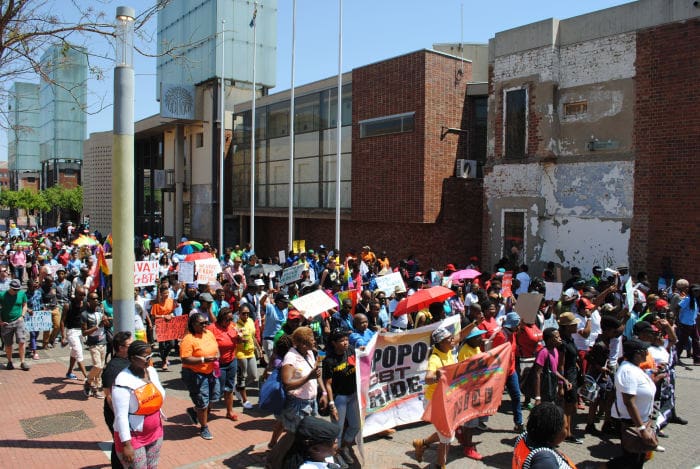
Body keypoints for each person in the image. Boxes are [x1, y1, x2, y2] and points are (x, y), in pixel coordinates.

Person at [412, 321, 479, 467]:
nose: (453, 340)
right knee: (447, 436)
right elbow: (428, 378)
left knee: (446, 433)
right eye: (449, 339)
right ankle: (440, 465)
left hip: (446, 399)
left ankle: (422, 443)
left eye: (452, 338)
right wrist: (437, 377)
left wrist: (475, 323)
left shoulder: (448, 348)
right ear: (441, 342)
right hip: (434, 403)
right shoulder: (435, 359)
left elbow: (461, 335)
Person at [112, 340, 165, 468]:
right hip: (133, 438)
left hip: (155, 432)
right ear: (132, 358)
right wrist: (127, 445)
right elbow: (121, 416)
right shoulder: (122, 381)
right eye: (146, 357)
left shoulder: (151, 371)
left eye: (151, 356)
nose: (149, 360)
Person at [609, 338, 660, 468]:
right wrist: (642, 429)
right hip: (631, 423)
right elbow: (629, 402)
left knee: (637, 460)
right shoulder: (627, 371)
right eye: (645, 351)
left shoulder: (634, 368)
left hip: (640, 421)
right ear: (637, 353)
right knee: (630, 461)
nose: (647, 353)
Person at [280, 326, 328, 433]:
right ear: (303, 344)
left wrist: (324, 393)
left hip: (312, 401)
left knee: (308, 433)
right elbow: (287, 384)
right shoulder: (291, 357)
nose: (314, 341)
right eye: (312, 339)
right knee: (296, 435)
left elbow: (317, 373)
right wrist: (308, 377)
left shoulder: (309, 352)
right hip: (298, 404)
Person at [323, 328, 360, 466]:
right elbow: (328, 384)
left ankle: (344, 448)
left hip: (353, 395)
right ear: (334, 343)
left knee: (355, 426)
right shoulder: (329, 361)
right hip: (340, 399)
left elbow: (363, 358)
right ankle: (336, 455)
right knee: (337, 431)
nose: (345, 342)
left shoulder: (351, 350)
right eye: (341, 340)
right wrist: (331, 404)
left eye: (346, 339)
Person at [180, 312, 220, 439]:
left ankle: (194, 410)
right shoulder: (188, 339)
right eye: (201, 323)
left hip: (211, 372)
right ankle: (204, 427)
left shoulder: (209, 334)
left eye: (206, 323)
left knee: (213, 398)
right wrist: (203, 360)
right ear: (193, 324)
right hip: (195, 374)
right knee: (202, 402)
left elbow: (216, 347)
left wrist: (217, 355)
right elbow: (185, 359)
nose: (205, 325)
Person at [102, 331, 133, 469]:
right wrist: (121, 417)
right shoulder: (112, 368)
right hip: (117, 414)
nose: (133, 347)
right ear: (121, 348)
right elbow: (109, 396)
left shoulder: (130, 361)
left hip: (129, 412)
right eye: (130, 345)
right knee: (120, 442)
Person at [513, 402, 577, 469]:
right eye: (566, 427)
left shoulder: (524, 436)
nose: (568, 431)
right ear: (554, 433)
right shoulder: (545, 461)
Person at [208, 307, 240, 421]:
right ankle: (205, 409)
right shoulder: (212, 328)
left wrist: (240, 338)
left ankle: (229, 412)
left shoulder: (233, 326)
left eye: (231, 319)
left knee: (229, 387)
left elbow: (237, 339)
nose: (230, 321)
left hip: (231, 361)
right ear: (221, 318)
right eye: (227, 319)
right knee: (218, 389)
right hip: (218, 364)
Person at [81, 291, 110, 398]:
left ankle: (96, 389)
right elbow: (84, 332)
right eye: (94, 299)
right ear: (88, 301)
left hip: (103, 342)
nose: (96, 300)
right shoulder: (85, 315)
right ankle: (88, 381)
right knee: (97, 366)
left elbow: (107, 325)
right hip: (93, 344)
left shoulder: (100, 311)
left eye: (97, 298)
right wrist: (97, 326)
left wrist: (106, 321)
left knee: (101, 368)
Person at [235, 303, 261, 409]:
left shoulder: (250, 321)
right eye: (243, 313)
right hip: (240, 353)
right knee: (242, 376)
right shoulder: (236, 324)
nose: (246, 315)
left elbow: (253, 336)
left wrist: (258, 348)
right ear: (239, 313)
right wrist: (240, 339)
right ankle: (244, 400)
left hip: (251, 352)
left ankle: (238, 387)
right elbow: (235, 340)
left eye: (247, 313)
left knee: (253, 376)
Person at [0, 279, 29, 370]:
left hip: (19, 321)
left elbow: (25, 305)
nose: (16, 291)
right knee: (8, 344)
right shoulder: (2, 295)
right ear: (10, 287)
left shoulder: (22, 294)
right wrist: (0, 321)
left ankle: (22, 362)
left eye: (18, 289)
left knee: (22, 341)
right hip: (6, 322)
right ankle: (9, 361)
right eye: (14, 289)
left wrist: (22, 316)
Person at [150, 285, 177, 370]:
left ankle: (164, 356)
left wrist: (171, 315)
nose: (167, 294)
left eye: (167, 293)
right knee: (162, 344)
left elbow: (172, 311)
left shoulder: (171, 301)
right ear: (161, 294)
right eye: (165, 293)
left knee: (172, 344)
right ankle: (164, 362)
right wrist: (163, 316)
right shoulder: (156, 303)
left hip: (169, 324)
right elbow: (154, 316)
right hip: (160, 325)